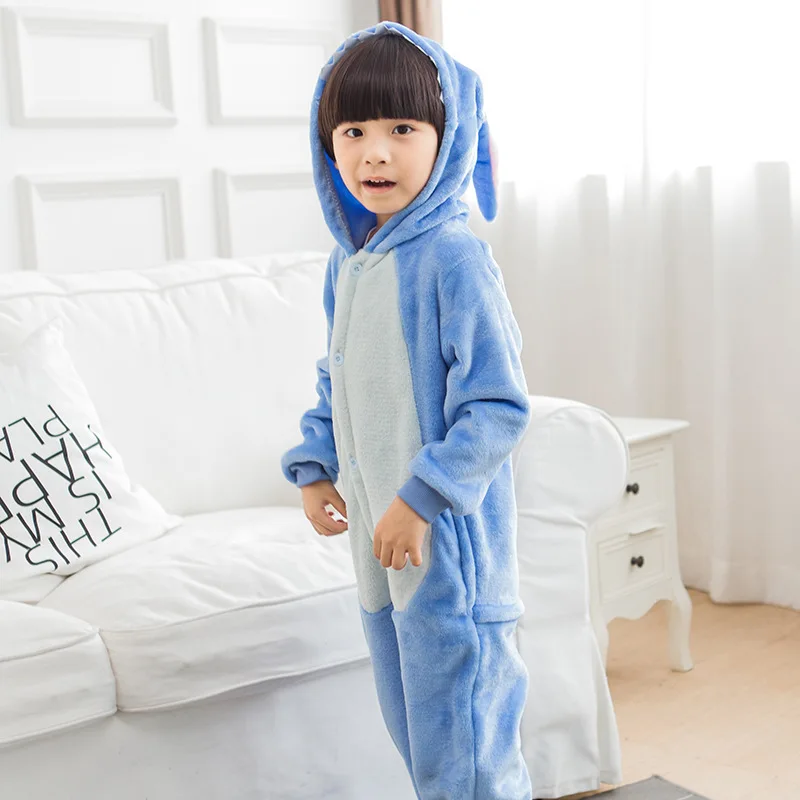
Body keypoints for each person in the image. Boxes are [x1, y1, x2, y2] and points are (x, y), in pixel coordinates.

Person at [280, 21, 533, 800]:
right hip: (381, 555)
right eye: (352, 131)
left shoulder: (455, 260)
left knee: (471, 759)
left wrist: (420, 498)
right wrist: (315, 463)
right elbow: (341, 374)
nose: (375, 154)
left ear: (446, 137)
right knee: (423, 752)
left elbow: (496, 405)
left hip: (447, 556)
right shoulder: (351, 263)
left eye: (401, 129)